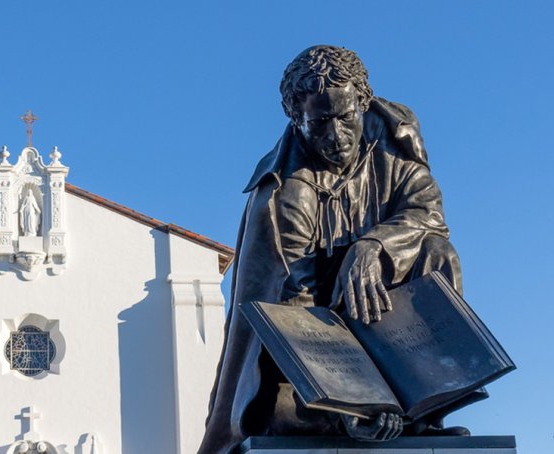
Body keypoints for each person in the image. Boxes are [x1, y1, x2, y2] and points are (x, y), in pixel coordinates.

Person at [198, 45, 483, 454]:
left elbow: (427, 212)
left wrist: (373, 245)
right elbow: (295, 313)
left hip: (381, 315)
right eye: (319, 123)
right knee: (297, 400)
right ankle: (352, 414)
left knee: (437, 252)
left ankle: (423, 410)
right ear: (296, 119)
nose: (336, 137)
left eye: (346, 117)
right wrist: (350, 407)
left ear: (363, 103)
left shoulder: (393, 139)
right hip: (311, 354)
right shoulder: (286, 197)